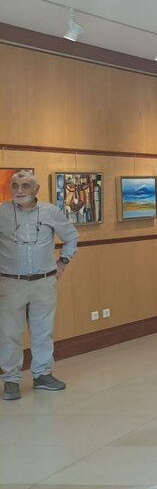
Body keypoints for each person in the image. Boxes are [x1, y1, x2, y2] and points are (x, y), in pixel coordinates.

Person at [1, 171, 78, 401]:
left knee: (43, 331)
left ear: (36, 190)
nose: (19, 190)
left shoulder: (50, 211)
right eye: (15, 185)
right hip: (10, 283)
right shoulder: (2, 212)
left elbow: (71, 237)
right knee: (9, 333)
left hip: (44, 281)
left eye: (25, 185)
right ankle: (11, 380)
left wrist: (63, 262)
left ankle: (42, 375)